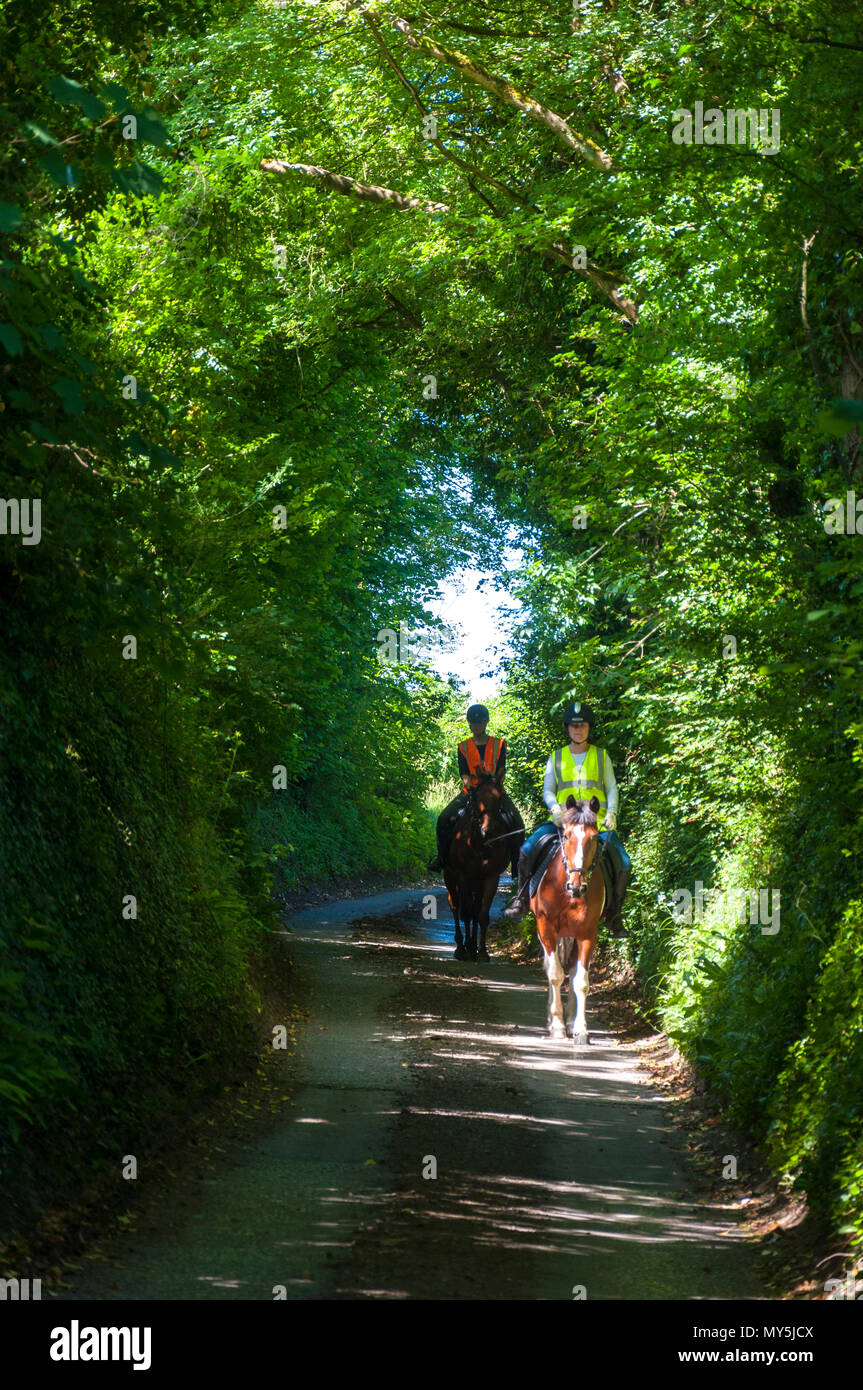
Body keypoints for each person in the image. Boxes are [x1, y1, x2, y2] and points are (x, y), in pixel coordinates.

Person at [502, 700, 631, 935]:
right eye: (573, 726)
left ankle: (614, 914)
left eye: (582, 726)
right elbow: (548, 789)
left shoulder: (602, 757)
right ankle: (520, 900)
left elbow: (611, 788)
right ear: (568, 729)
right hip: (563, 825)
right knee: (526, 850)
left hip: (596, 825)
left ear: (589, 728)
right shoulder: (556, 757)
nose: (578, 730)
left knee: (623, 861)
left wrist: (612, 811)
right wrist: (554, 808)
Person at [428, 704, 525, 875]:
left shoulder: (499, 744)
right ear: (469, 724)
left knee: (517, 821)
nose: (476, 726)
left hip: (495, 792)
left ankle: (517, 863)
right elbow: (464, 773)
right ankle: (441, 858)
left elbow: (502, 768)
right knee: (443, 818)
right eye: (473, 723)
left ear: (486, 722)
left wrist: (496, 783)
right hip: (471, 792)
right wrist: (471, 788)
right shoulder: (463, 747)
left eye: (479, 722)